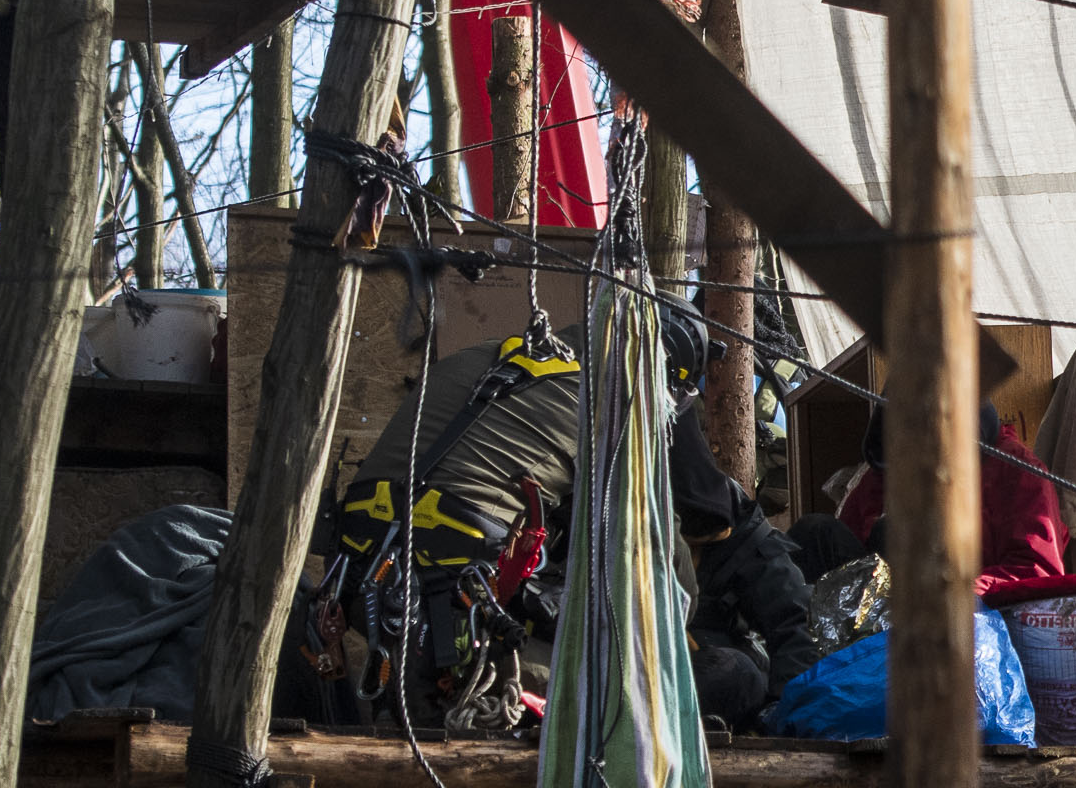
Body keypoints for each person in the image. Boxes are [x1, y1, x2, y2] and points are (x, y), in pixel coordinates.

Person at [311, 304, 817, 735]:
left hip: (361, 589)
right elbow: (665, 578)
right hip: (450, 616)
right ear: (665, 376)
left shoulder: (498, 359)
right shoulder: (624, 401)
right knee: (734, 676)